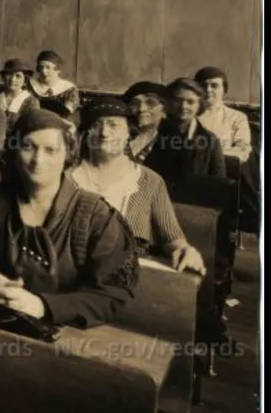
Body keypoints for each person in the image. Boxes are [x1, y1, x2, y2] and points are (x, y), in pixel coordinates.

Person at [0, 108, 139, 329]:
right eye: (28, 147)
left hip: (66, 338)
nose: (37, 160)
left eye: (51, 150)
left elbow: (112, 295)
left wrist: (42, 305)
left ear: (67, 156)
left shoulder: (96, 216)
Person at [69, 97, 204, 274]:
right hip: (72, 270)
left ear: (129, 132)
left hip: (131, 276)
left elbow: (172, 238)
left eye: (113, 125)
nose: (104, 133)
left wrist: (185, 250)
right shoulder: (66, 178)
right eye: (96, 125)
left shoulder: (149, 181)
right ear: (85, 133)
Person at [143, 78, 227, 188]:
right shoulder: (153, 132)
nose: (183, 106)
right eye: (178, 100)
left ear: (199, 106)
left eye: (190, 102)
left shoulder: (210, 140)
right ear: (168, 102)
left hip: (193, 200)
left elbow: (218, 183)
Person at [194, 66, 253, 165]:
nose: (208, 90)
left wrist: (211, 155)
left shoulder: (237, 117)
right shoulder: (188, 114)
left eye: (214, 86)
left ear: (224, 90)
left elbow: (242, 151)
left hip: (224, 168)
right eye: (203, 85)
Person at [121, 81, 169, 163]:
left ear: (164, 111)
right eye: (134, 104)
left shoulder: (171, 144)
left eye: (150, 103)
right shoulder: (118, 137)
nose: (141, 109)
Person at [0, 58, 40, 132]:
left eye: (18, 76)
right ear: (4, 78)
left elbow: (33, 129)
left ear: (25, 80)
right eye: (9, 75)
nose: (13, 79)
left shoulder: (31, 102)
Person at [29, 50, 80, 117]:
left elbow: (66, 113)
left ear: (57, 70)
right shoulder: (30, 85)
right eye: (41, 67)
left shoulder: (69, 89)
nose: (44, 71)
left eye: (48, 67)